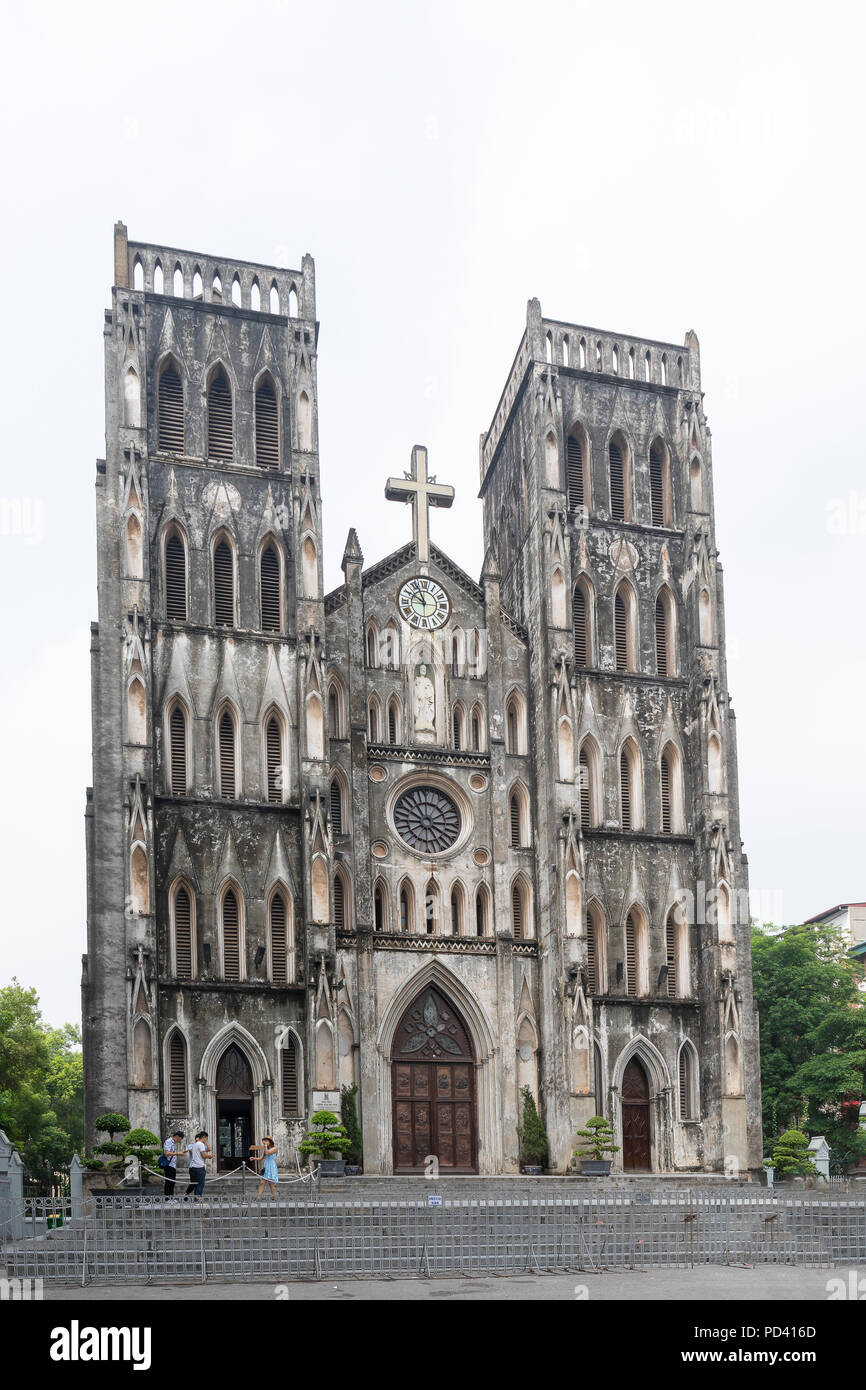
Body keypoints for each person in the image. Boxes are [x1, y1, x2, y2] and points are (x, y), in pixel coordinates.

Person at [185, 1131, 212, 1199]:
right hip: (199, 1166)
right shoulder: (201, 1144)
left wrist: (205, 1143)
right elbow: (203, 1155)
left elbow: (207, 1149)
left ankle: (195, 1197)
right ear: (203, 1137)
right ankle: (197, 1197)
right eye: (206, 1138)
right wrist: (209, 1156)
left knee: (195, 1182)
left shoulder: (195, 1144)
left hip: (194, 1166)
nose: (206, 1140)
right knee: (200, 1183)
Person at [162, 1130, 184, 1198]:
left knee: (172, 1182)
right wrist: (178, 1153)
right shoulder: (169, 1142)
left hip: (172, 1165)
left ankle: (171, 1197)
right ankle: (167, 1198)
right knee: (169, 1182)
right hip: (169, 1165)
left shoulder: (173, 1143)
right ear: (177, 1136)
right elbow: (167, 1153)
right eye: (180, 1139)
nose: (180, 1141)